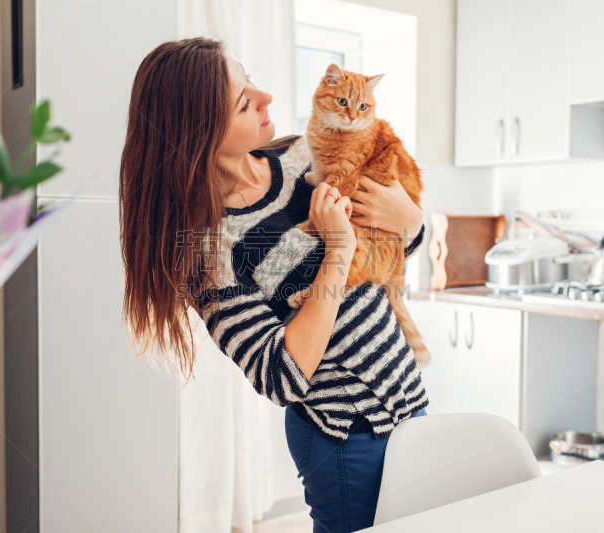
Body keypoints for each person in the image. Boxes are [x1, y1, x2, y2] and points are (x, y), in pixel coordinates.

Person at [119, 37, 428, 533]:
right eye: (244, 102)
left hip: (411, 401)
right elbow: (281, 375)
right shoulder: (205, 248)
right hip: (345, 432)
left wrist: (412, 223)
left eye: (250, 81)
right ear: (201, 133)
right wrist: (338, 251)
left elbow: (394, 249)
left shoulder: (307, 155)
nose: (265, 98)